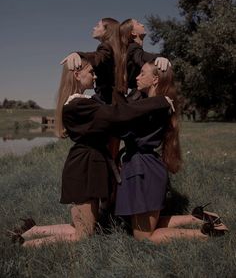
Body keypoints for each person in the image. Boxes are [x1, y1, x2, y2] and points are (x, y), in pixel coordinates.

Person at [11, 58, 173, 247]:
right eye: (91, 72)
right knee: (83, 235)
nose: (95, 76)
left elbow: (115, 98)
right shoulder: (78, 106)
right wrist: (159, 101)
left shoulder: (86, 102)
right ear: (77, 75)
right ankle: (24, 244)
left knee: (83, 227)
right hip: (84, 168)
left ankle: (34, 230)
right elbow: (116, 113)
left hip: (90, 165)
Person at [115, 60, 228, 243]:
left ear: (155, 80)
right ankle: (198, 218)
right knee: (145, 224)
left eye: (142, 73)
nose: (137, 77)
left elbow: (121, 115)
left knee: (143, 237)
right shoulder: (151, 103)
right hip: (142, 167)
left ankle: (206, 234)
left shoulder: (156, 106)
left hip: (143, 170)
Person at [119, 18, 171, 90]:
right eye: (138, 23)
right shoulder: (132, 48)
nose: (142, 25)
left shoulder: (131, 48)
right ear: (133, 32)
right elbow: (140, 58)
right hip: (138, 95)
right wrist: (159, 57)